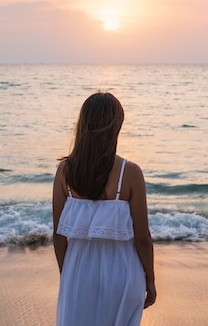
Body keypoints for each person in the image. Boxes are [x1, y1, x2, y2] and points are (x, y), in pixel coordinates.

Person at [53, 92, 156, 326]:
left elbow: (58, 235)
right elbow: (143, 238)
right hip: (123, 271)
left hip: (78, 270)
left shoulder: (64, 171)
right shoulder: (130, 173)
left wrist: (67, 273)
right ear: (116, 126)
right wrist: (150, 279)